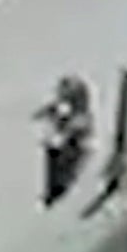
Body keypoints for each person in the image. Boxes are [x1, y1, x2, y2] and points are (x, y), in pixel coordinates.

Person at [35, 74, 94, 208]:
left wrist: (63, 134)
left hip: (76, 148)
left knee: (62, 161)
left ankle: (58, 187)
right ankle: (53, 188)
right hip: (67, 146)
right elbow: (53, 110)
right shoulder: (66, 110)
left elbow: (77, 129)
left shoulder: (81, 119)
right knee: (53, 154)